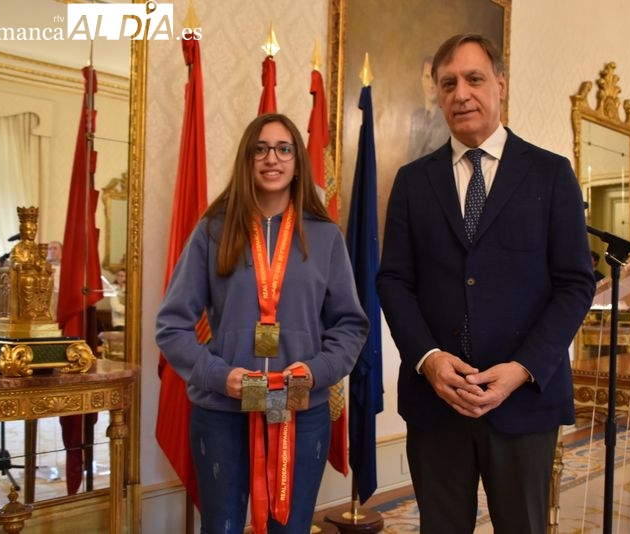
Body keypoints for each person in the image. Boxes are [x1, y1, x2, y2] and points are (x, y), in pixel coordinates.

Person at [376, 34, 596, 533]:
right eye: (447, 83)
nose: (461, 93)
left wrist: (521, 368)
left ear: (500, 84)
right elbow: (393, 281)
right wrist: (428, 360)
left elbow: (575, 285)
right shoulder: (413, 182)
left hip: (523, 401)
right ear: (437, 94)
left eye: (474, 79)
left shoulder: (551, 174)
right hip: (437, 401)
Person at [156, 113, 368, 534]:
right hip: (224, 407)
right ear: (248, 158)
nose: (272, 158)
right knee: (224, 527)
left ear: (297, 161)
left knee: (288, 527)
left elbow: (349, 325)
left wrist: (316, 371)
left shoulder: (325, 237)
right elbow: (172, 326)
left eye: (284, 148)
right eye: (261, 148)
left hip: (298, 406)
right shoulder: (212, 231)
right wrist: (219, 375)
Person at [406, 55, 450, 162]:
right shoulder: (416, 117)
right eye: (427, 77)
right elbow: (410, 157)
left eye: (434, 78)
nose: (431, 84)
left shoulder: (448, 117)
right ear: (421, 79)